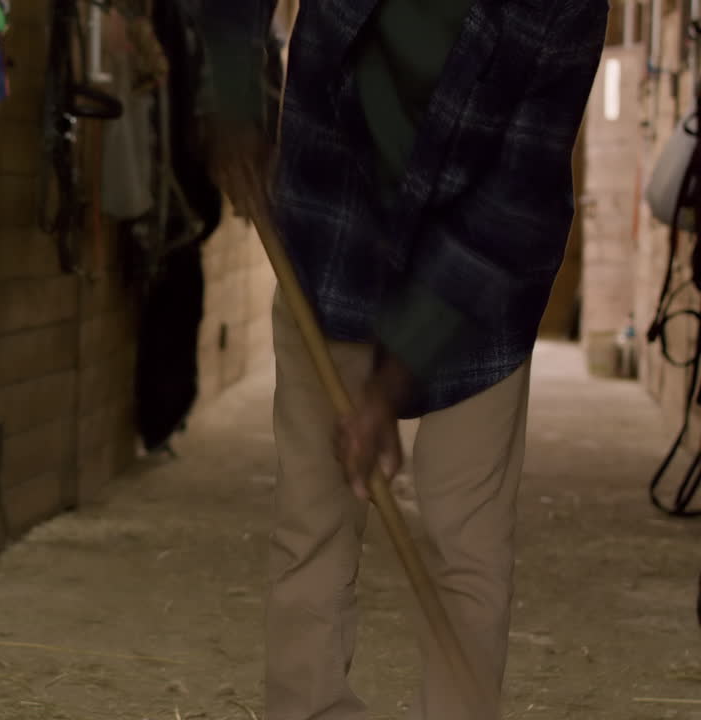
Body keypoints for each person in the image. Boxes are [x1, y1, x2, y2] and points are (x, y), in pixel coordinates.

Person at [194, 1, 609, 719]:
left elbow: (512, 206)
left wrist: (392, 381)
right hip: (336, 224)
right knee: (312, 524)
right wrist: (234, 99)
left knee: (467, 548)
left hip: (477, 285)